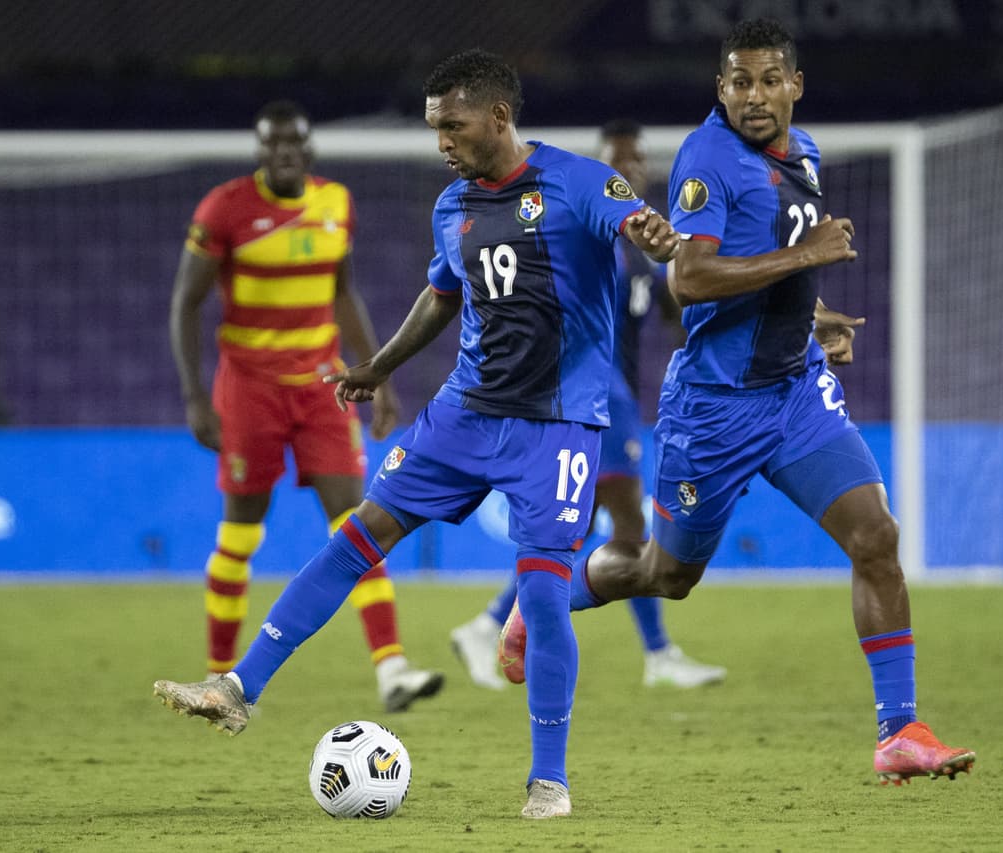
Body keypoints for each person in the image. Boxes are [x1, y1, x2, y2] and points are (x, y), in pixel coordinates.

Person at [153, 49, 681, 820]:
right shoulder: (453, 205)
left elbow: (634, 222)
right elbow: (441, 296)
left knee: (541, 593)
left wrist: (652, 232)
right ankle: (237, 687)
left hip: (557, 423)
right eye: (436, 128)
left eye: (453, 127)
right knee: (356, 536)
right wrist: (379, 365)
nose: (442, 142)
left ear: (498, 116)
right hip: (463, 413)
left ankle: (549, 780)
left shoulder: (577, 180)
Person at [499, 18, 975, 787]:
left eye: (769, 80)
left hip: (794, 393)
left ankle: (898, 731)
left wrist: (816, 320)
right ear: (720, 89)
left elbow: (777, 271)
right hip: (715, 409)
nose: (754, 96)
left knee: (876, 537)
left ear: (795, 86)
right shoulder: (708, 158)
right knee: (666, 573)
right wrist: (808, 255)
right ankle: (543, 593)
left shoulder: (804, 152)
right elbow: (689, 279)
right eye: (739, 81)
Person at [169, 100, 443, 713]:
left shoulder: (335, 204)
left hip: (324, 386)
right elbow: (185, 302)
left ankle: (392, 668)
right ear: (260, 151)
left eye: (293, 143)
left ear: (309, 149)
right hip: (249, 390)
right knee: (240, 533)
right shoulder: (224, 209)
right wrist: (194, 396)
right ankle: (217, 674)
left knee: (357, 522)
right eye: (273, 144)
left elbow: (344, 293)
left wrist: (380, 374)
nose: (285, 153)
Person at [449, 119, 727, 691]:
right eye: (617, 161)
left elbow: (676, 316)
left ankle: (491, 624)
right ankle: (655, 653)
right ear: (599, 168)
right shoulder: (584, 226)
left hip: (611, 397)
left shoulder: (642, 247)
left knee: (576, 528)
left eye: (637, 160)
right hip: (590, 392)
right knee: (625, 523)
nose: (630, 169)